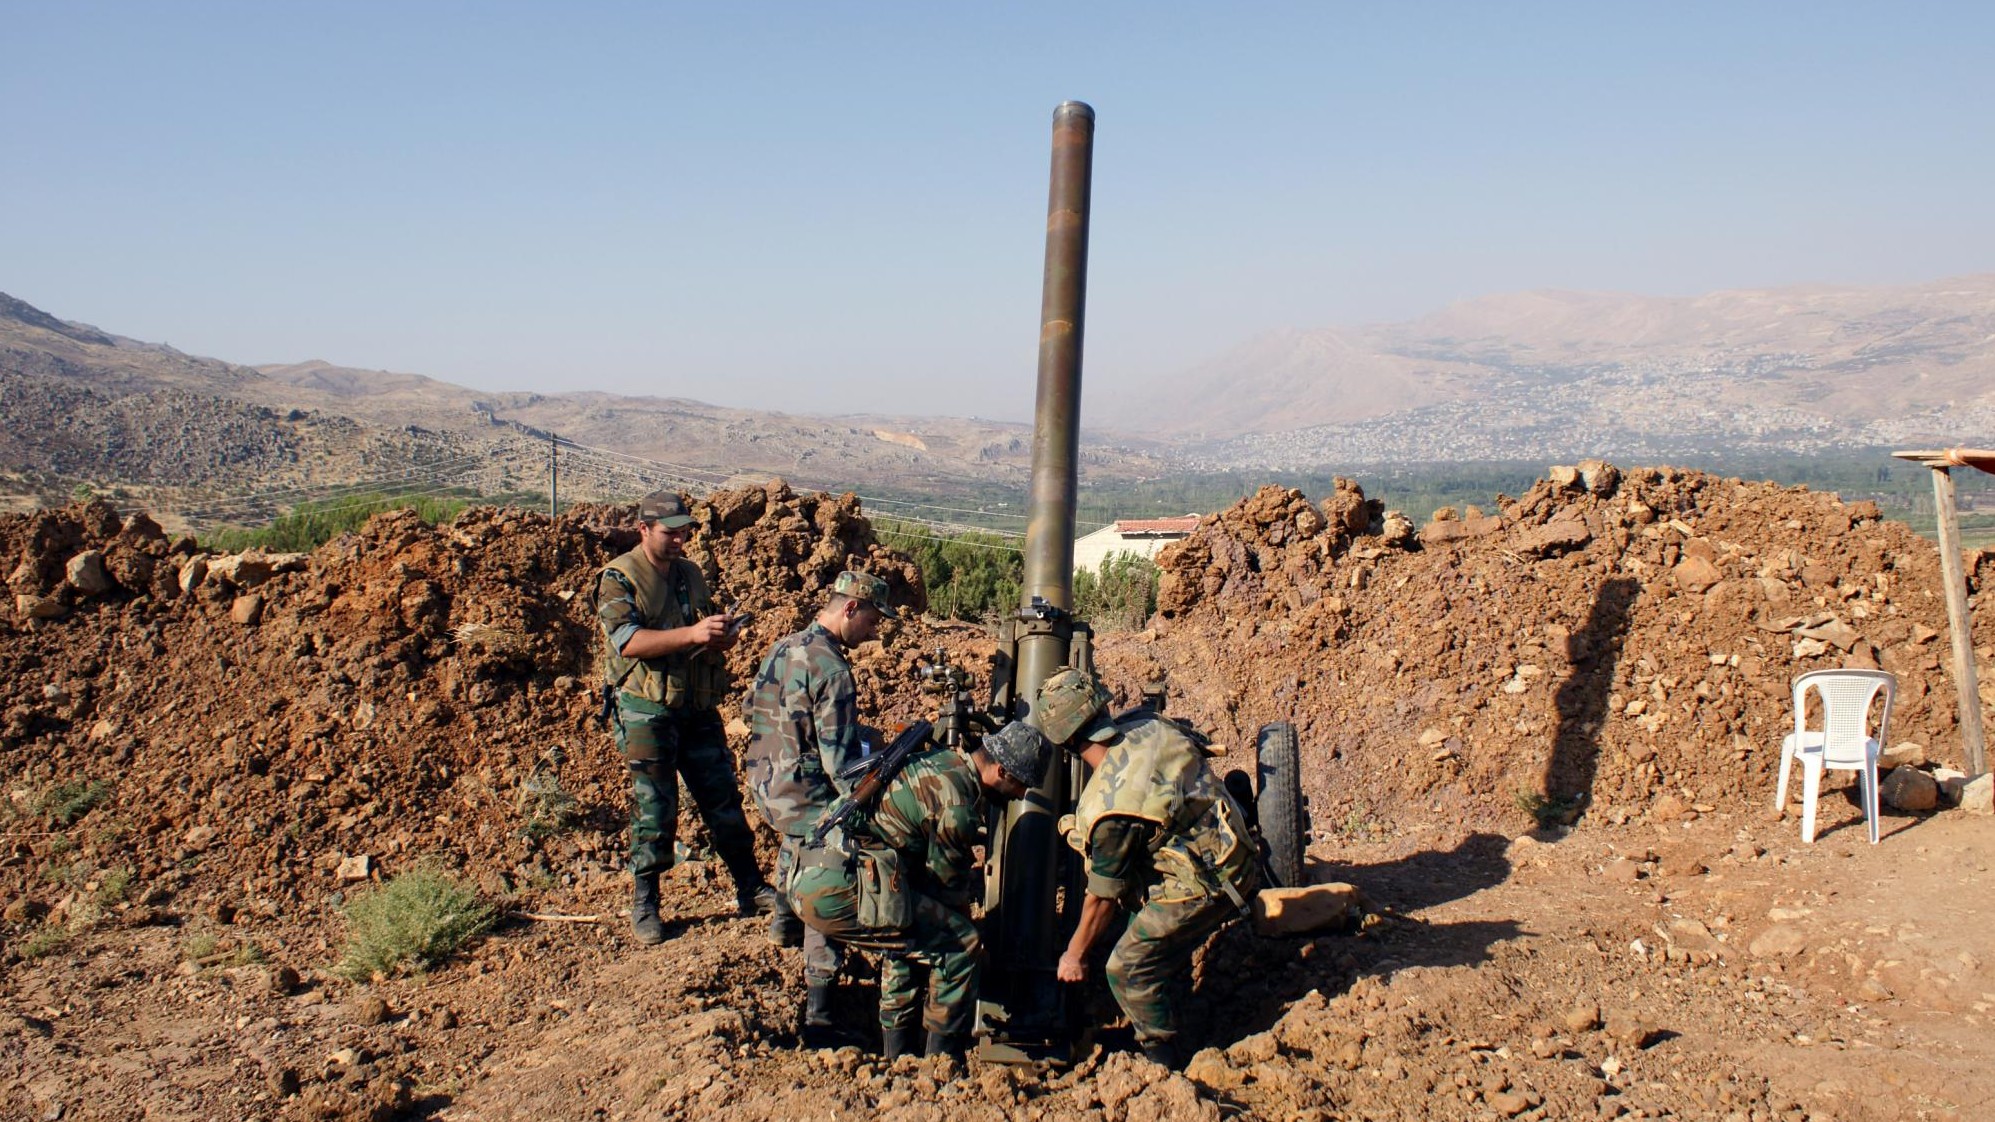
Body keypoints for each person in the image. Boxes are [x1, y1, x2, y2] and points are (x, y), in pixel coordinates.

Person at [1035, 667, 1259, 1070]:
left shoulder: (1111, 812)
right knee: (1133, 930)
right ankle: (1158, 1012)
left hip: (1212, 880)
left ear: (1064, 739)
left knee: (1125, 966)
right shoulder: (1148, 726)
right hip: (1226, 845)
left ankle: (1163, 1059)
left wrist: (1074, 953)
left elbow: (1102, 896)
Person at [789, 719, 1047, 1060]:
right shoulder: (957, 806)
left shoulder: (941, 762)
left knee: (908, 932)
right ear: (1001, 771)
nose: (1019, 796)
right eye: (1021, 785)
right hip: (838, 889)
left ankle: (898, 1056)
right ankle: (941, 1059)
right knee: (961, 945)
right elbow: (947, 890)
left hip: (812, 871)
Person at [594, 491, 775, 946]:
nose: (679, 541)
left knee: (723, 801)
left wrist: (717, 636)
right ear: (644, 530)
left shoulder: (690, 574)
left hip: (696, 707)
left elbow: (696, 627)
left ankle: (750, 887)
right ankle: (646, 903)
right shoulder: (619, 577)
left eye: (684, 533)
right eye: (669, 533)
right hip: (647, 712)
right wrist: (693, 633)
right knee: (656, 812)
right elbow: (628, 642)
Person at [741, 569, 897, 1047]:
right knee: (829, 865)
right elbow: (840, 765)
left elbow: (751, 709)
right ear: (850, 608)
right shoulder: (833, 669)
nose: (875, 631)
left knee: (795, 837)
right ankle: (822, 1008)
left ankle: (782, 925)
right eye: (872, 619)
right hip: (803, 793)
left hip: (764, 780)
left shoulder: (784, 646)